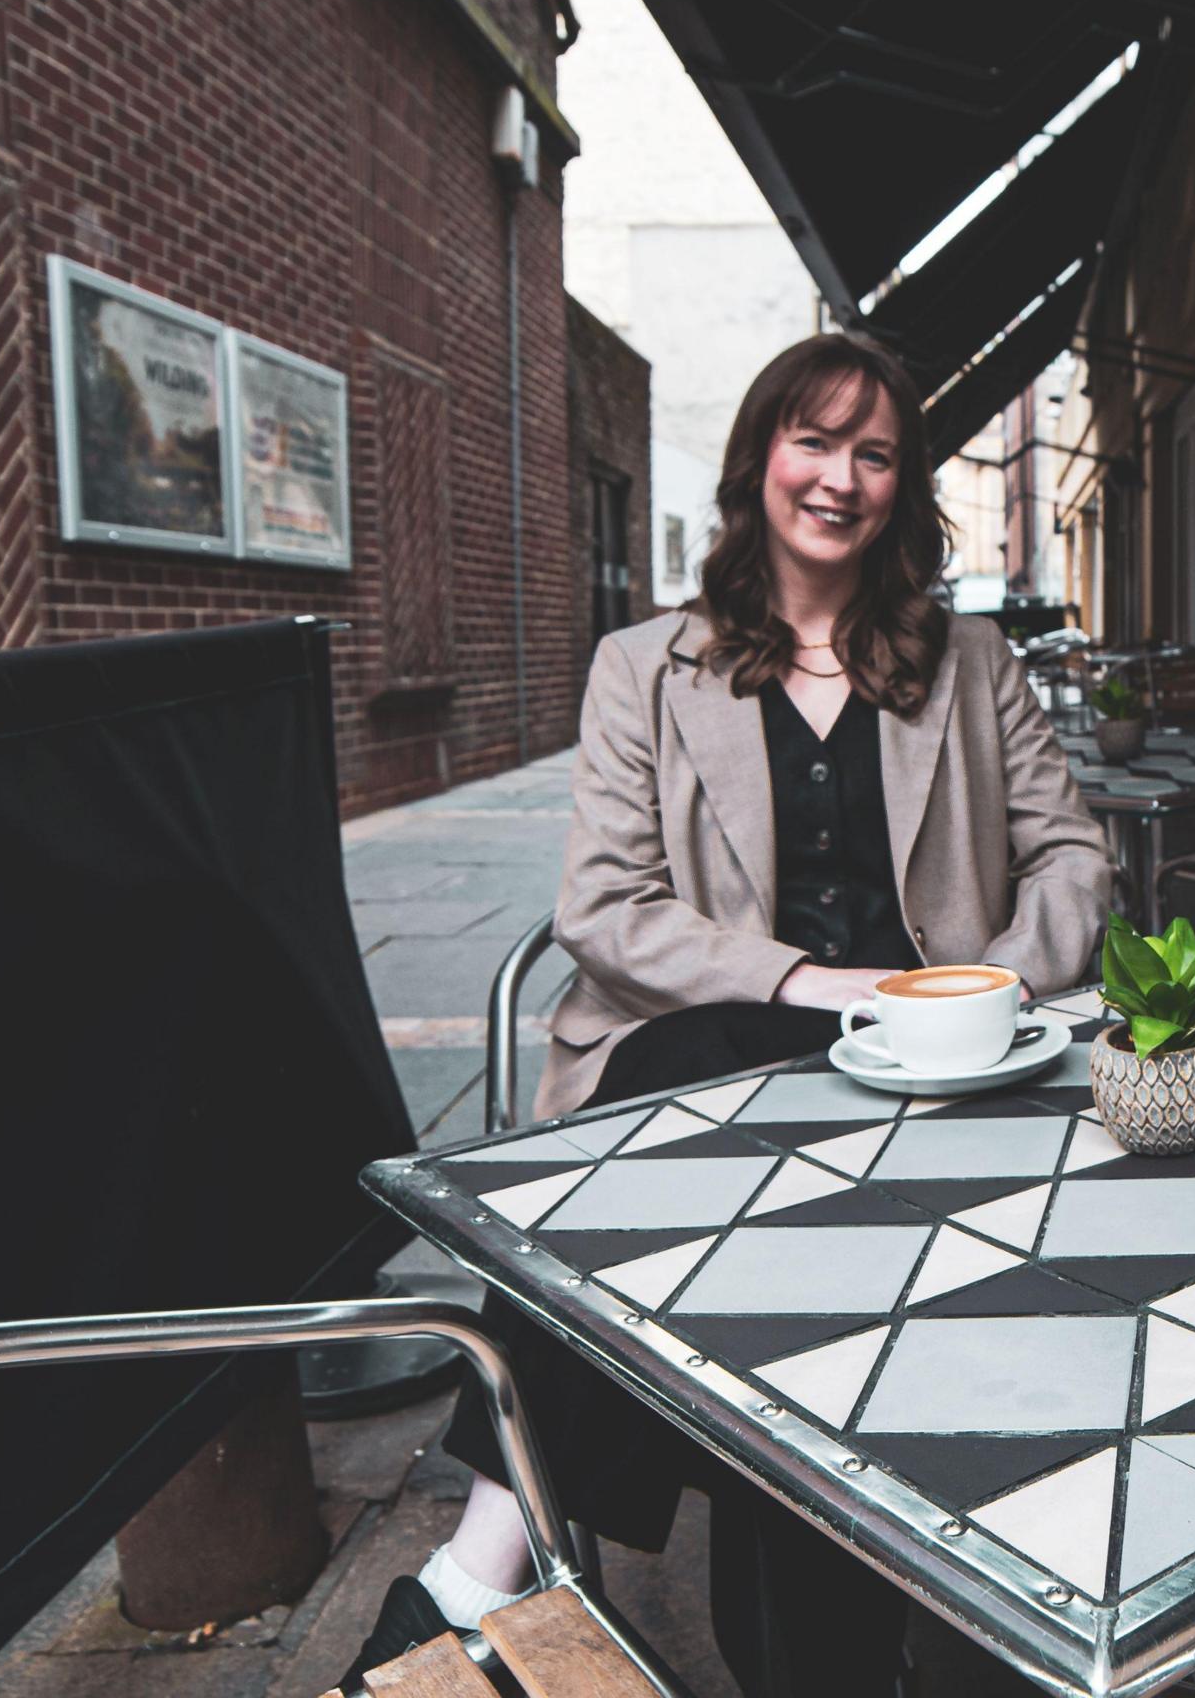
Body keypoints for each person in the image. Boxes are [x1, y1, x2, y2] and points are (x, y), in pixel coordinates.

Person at [361, 333, 1110, 1696]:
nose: (840, 478)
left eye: (873, 452)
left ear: (903, 483)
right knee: (729, 1084)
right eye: (814, 442)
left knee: (779, 1311)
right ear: (760, 457)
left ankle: (486, 1557)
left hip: (932, 1069)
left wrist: (985, 986)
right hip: (705, 1066)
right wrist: (817, 988)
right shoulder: (645, 667)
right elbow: (605, 911)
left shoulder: (973, 662)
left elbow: (1074, 858)